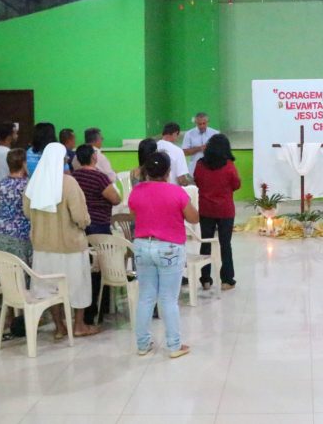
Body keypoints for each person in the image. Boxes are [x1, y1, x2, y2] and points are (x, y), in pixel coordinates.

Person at [23, 143, 100, 338]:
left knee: (49, 289)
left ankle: (59, 327)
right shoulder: (69, 183)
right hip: (70, 246)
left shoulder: (33, 184)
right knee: (78, 286)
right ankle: (79, 325)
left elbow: (27, 213)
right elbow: (80, 216)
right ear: (62, 160)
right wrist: (85, 222)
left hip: (42, 247)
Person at [129, 152, 200, 358]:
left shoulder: (136, 191)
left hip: (142, 246)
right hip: (169, 248)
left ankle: (143, 345)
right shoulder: (176, 192)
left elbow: (134, 214)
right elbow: (194, 218)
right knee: (168, 298)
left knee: (146, 297)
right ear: (168, 172)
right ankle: (174, 346)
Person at [71, 143, 122, 325]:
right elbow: (115, 198)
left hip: (79, 228)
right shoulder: (99, 178)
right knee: (101, 268)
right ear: (94, 157)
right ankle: (100, 308)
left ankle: (83, 309)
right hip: (99, 226)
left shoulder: (74, 177)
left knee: (84, 268)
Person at [193, 133, 241, 291]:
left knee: (206, 242)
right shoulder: (229, 166)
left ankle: (205, 279)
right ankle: (227, 280)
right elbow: (236, 184)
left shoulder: (200, 165)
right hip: (225, 211)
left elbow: (197, 181)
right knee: (225, 244)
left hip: (206, 209)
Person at [0, 148, 32, 266]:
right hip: (21, 234)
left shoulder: (2, 183)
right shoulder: (27, 184)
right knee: (20, 273)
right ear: (24, 163)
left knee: (4, 272)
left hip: (1, 231)